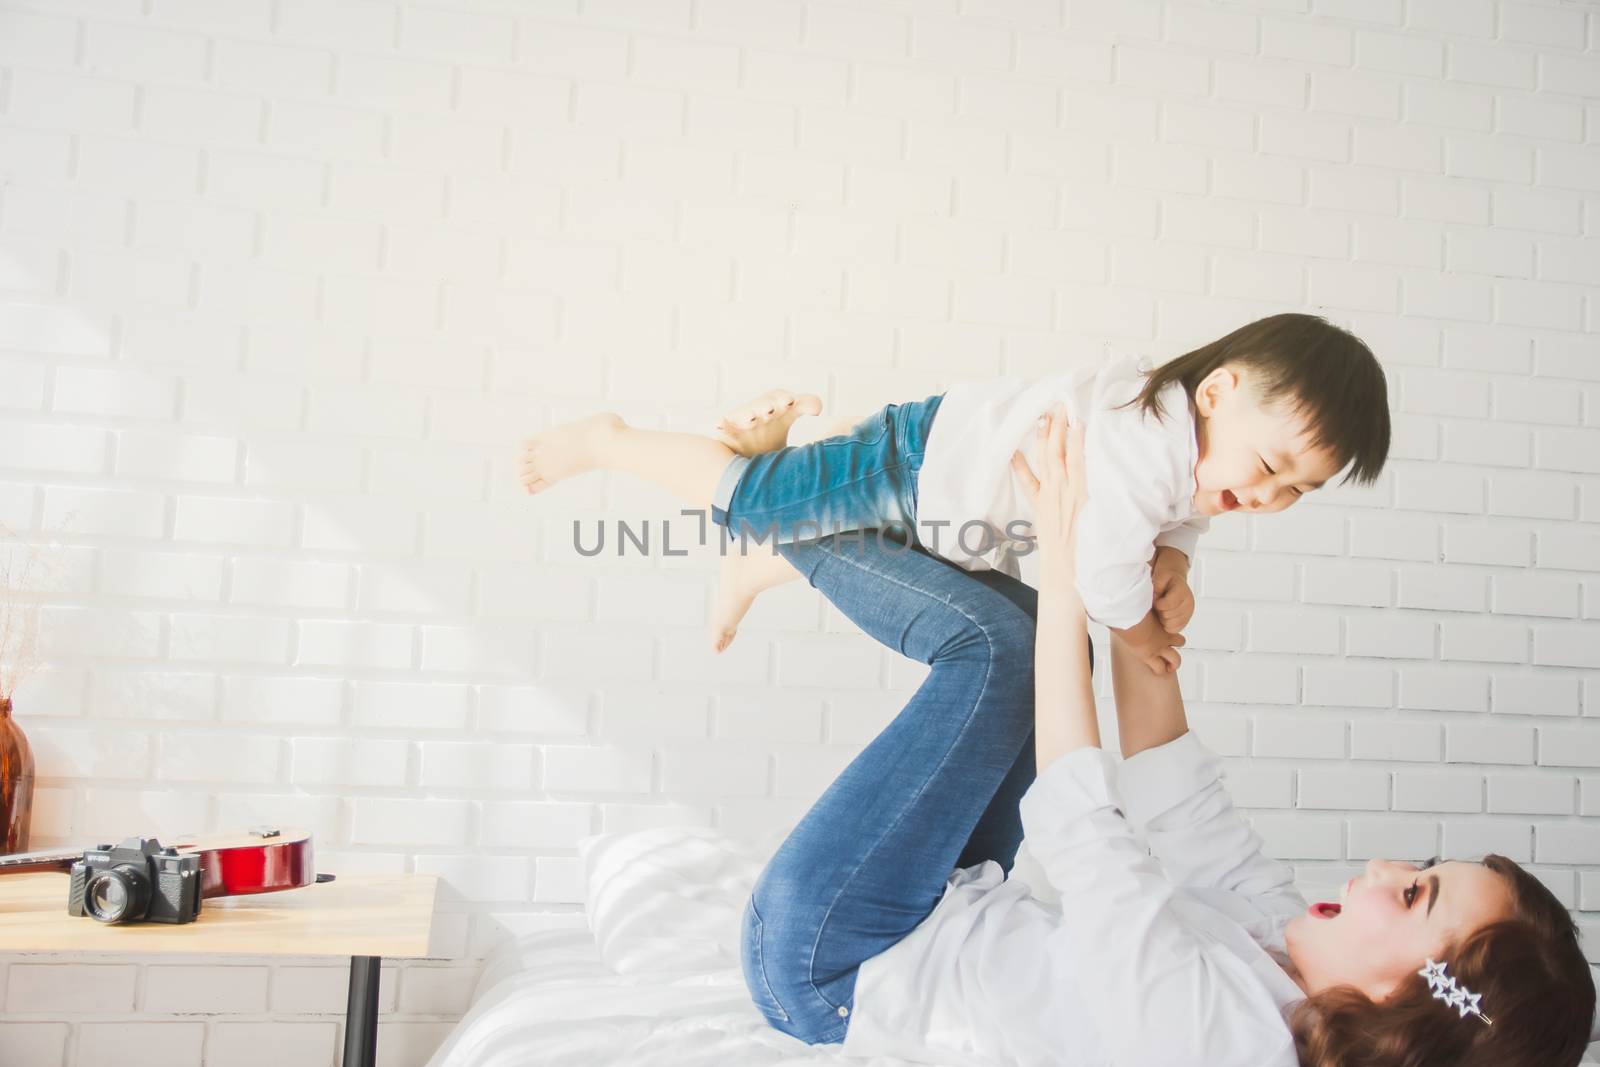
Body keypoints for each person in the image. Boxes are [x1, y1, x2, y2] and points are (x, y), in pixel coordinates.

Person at [730, 410, 1593, 1066]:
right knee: (1031, 632)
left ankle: (755, 497)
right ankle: (797, 520)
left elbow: (1085, 829)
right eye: (1420, 867)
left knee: (1003, 653)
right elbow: (1177, 791)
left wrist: (1074, 562)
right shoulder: (1288, 946)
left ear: (1407, 1002)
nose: (1382, 869)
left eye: (1413, 897)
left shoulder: (1217, 1040)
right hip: (937, 909)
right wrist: (1134, 578)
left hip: (836, 958)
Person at [517, 313, 1391, 674]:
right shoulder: (1143, 444)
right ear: (1217, 392)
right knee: (755, 497)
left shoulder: (1189, 458)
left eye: (1297, 492)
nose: (1270, 495)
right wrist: (1142, 630)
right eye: (1272, 466)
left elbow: (1173, 523)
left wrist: (1177, 556)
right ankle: (611, 439)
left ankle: (753, 567)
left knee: (854, 544)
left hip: (952, 513)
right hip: (916, 462)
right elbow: (1101, 574)